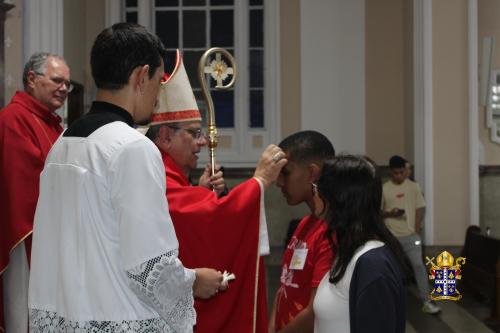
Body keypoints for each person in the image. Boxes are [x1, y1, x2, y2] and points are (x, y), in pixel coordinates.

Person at [28, 23, 222, 332]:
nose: (158, 96)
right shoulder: (132, 147)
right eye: (159, 81)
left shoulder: (62, 144)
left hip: (68, 317)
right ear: (141, 76)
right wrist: (194, 281)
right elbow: (149, 266)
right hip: (120, 318)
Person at [144, 49, 287, 333]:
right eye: (194, 133)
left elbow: (185, 210)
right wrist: (259, 181)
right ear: (165, 136)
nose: (202, 143)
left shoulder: (171, 175)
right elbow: (183, 210)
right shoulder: (154, 171)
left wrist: (199, 192)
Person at [0, 51, 70, 332]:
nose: (64, 88)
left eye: (67, 83)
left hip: (52, 239)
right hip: (26, 240)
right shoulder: (14, 119)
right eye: (57, 80)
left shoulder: (50, 122)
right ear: (32, 79)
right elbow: (22, 188)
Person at [313, 155, 407, 333]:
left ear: (338, 198)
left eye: (317, 187)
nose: (314, 193)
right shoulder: (349, 250)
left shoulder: (372, 265)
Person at [269, 130, 336, 333]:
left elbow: (316, 311)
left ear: (312, 173)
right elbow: (284, 289)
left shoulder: (332, 232)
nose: (279, 182)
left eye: (286, 172)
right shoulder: (304, 224)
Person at [381, 155, 441, 314]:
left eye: (401, 172)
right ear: (390, 172)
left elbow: (419, 208)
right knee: (389, 268)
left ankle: (427, 301)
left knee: (419, 266)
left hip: (410, 235)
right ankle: (387, 302)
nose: (398, 176)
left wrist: (416, 229)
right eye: (395, 173)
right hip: (391, 236)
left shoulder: (413, 187)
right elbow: (378, 212)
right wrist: (390, 214)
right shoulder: (384, 188)